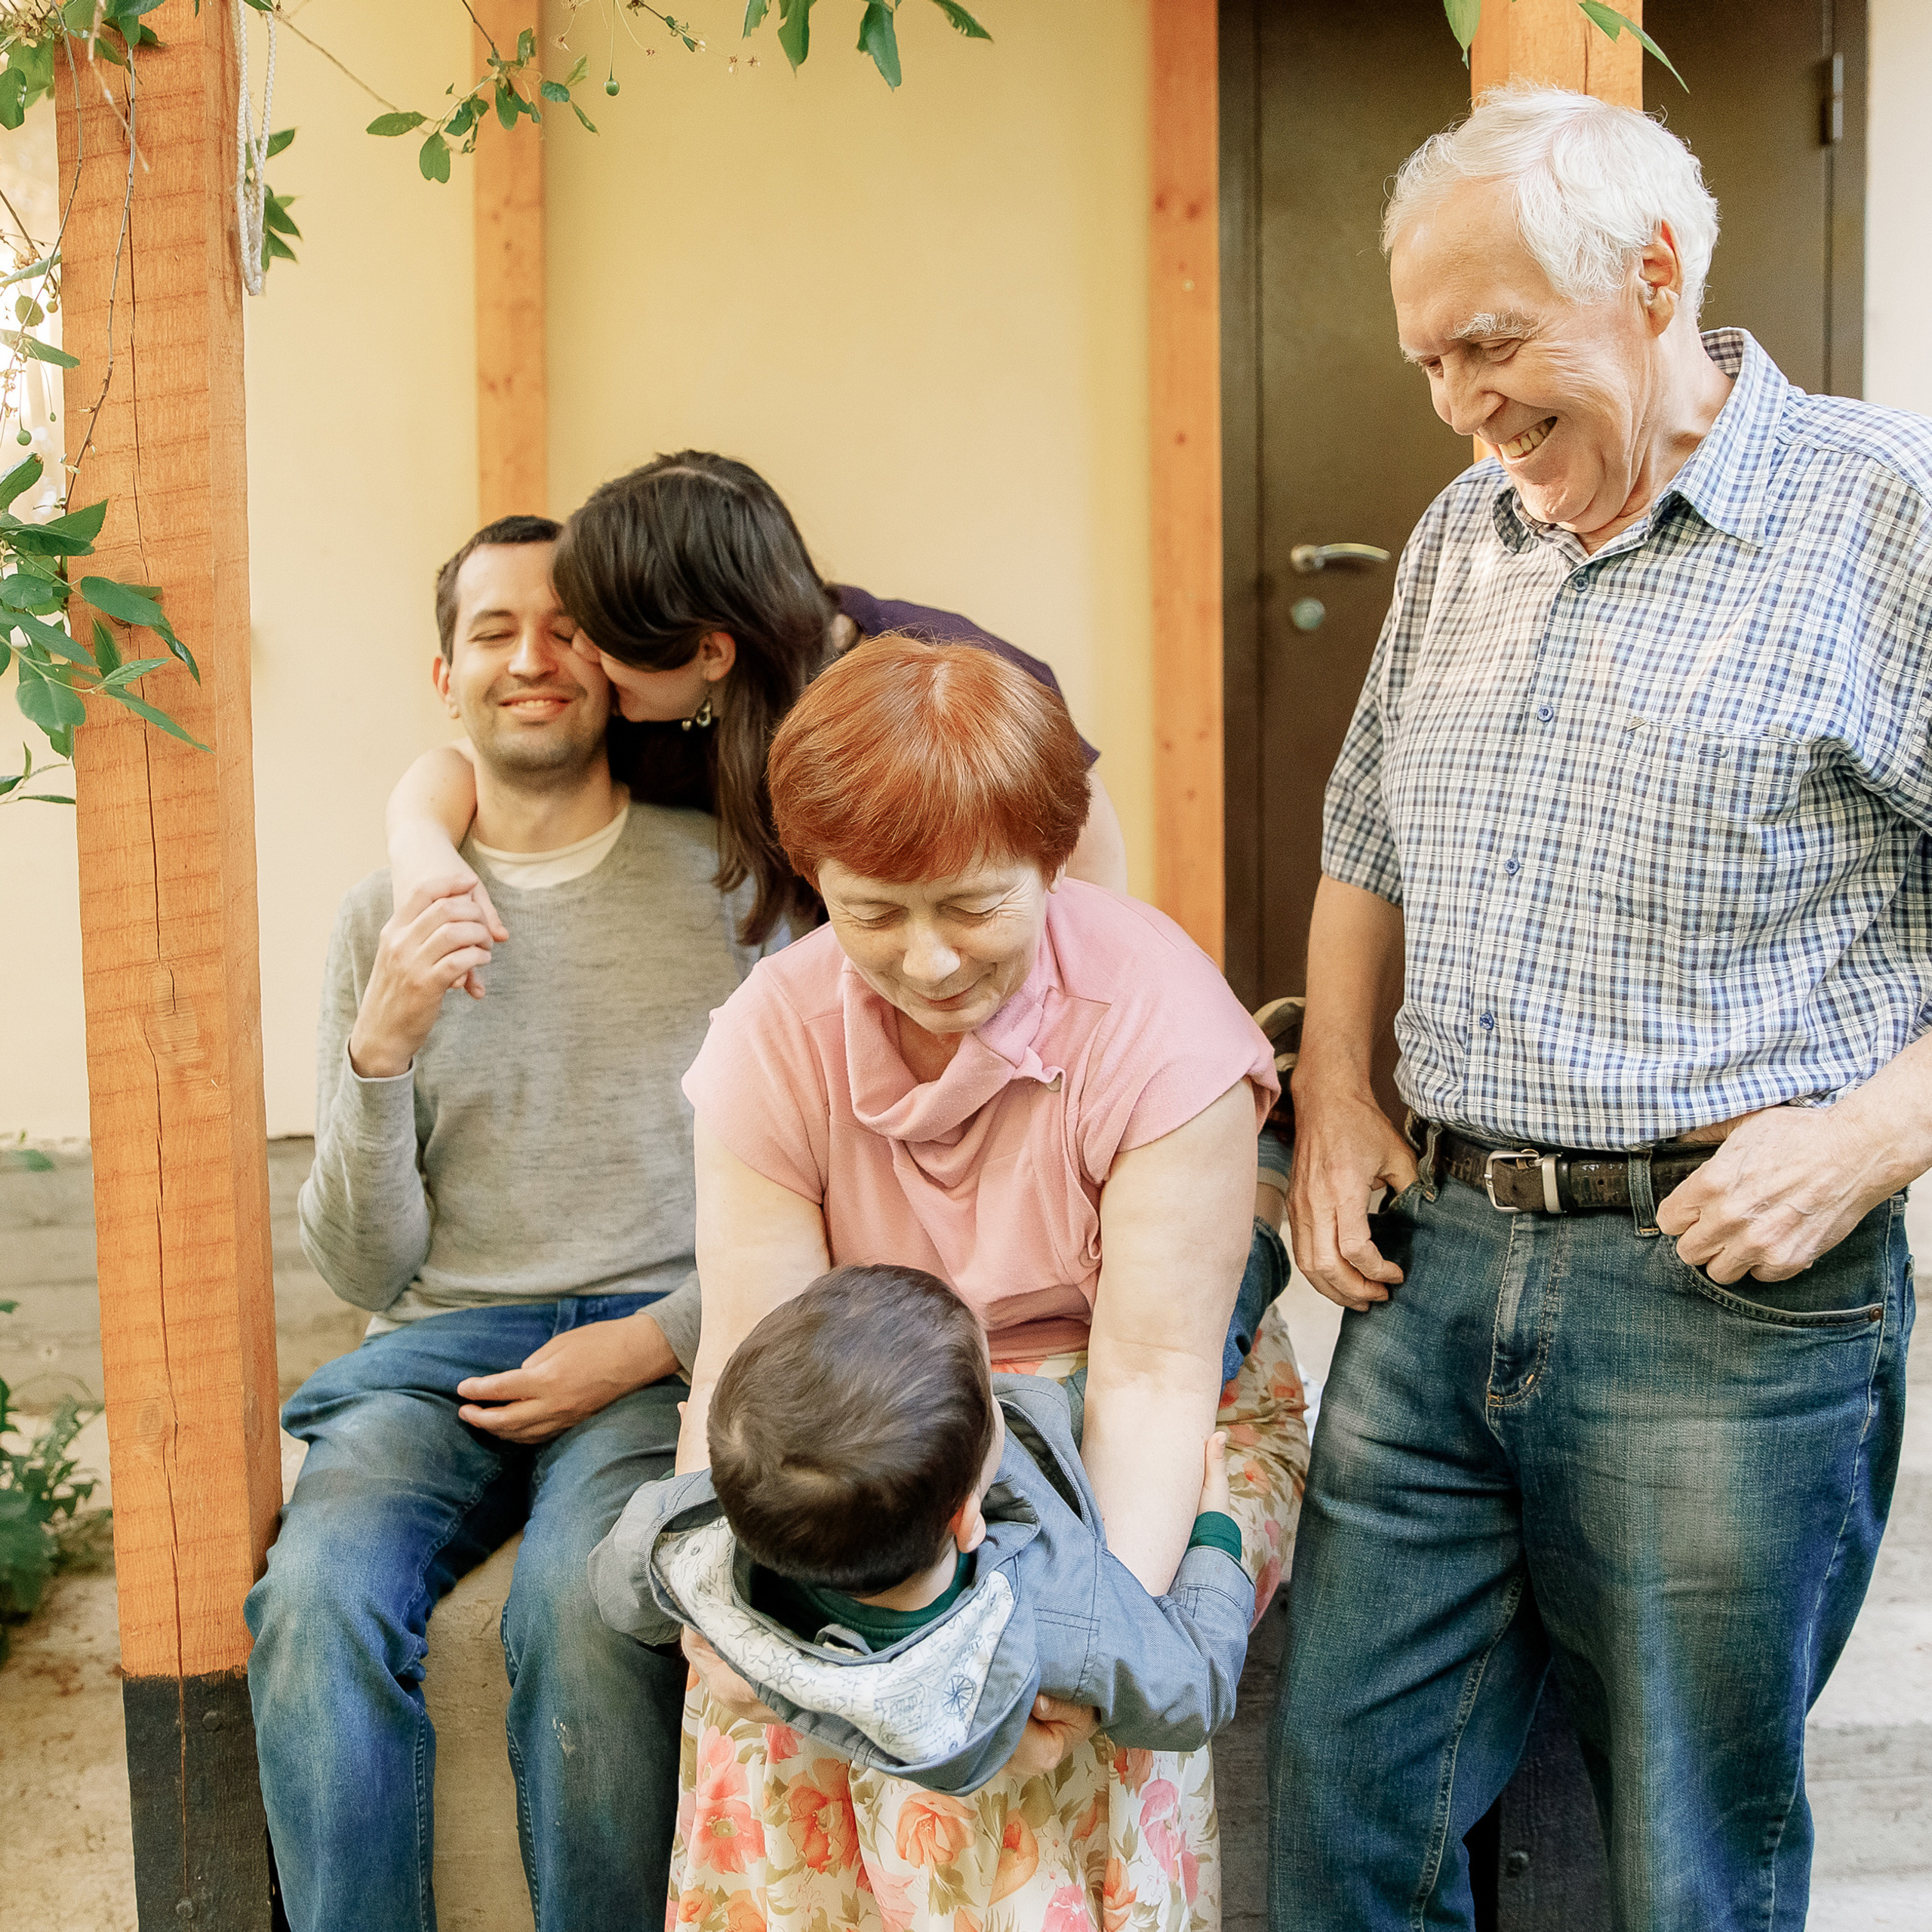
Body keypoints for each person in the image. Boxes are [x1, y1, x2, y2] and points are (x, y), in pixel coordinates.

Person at [1272, 85, 1924, 1930]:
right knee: (1344, 1824)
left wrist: (1868, 1137)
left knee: (1679, 1862)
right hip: (1434, 1266)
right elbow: (1363, 834)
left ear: (1649, 279)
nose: (1455, 404)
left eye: (1486, 345)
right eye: (1427, 360)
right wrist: (1336, 1091)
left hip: (1720, 1301)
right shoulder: (1459, 528)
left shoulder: (1884, 508)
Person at [666, 633, 1308, 1932]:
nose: (930, 961)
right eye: (873, 913)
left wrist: (1084, 1639)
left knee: (1034, 1706)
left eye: (972, 907)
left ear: (1052, 860)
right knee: (779, 1678)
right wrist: (731, 1598)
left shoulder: (1162, 1033)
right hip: (869, 1422)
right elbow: (753, 1350)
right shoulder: (773, 1037)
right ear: (814, 878)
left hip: (1125, 1402)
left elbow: (1153, 1376)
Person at [245, 515, 771, 1930]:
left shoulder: (731, 885)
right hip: (437, 1354)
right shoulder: (383, 914)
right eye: (495, 632)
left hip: (653, 1347)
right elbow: (363, 1265)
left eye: (567, 631)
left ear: (618, 669)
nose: (532, 659)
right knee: (315, 1599)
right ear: (446, 677)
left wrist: (664, 1339)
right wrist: (381, 1048)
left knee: (591, 1612)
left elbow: (817, 1184)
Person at [384, 451, 1130, 964]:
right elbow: (468, 760)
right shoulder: (662, 711)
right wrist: (420, 849)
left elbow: (1088, 874)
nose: (580, 658)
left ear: (712, 652)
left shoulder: (944, 680)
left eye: (596, 637)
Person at [589, 1265, 1254, 1794]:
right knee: (1221, 1315)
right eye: (991, 1390)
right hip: (1045, 1458)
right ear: (968, 1520)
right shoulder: (1055, 1612)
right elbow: (1196, 1684)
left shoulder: (695, 1531)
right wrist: (1215, 1537)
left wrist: (689, 1509)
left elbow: (618, 1583)